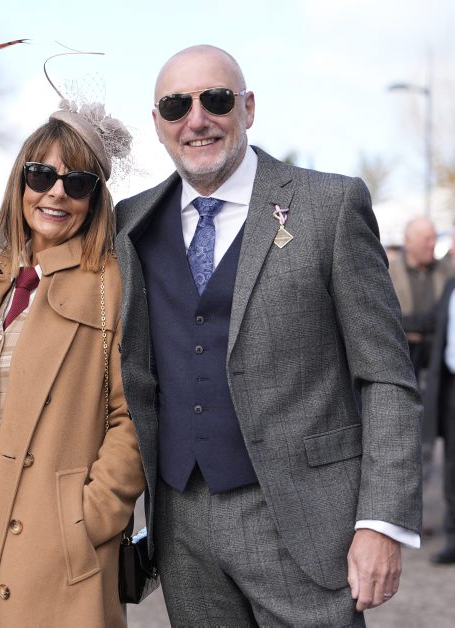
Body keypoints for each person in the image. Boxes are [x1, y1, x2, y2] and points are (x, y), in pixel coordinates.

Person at [114, 45, 422, 625]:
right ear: (157, 123)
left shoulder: (330, 206)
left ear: (248, 107)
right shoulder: (131, 223)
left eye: (216, 99)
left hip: (303, 520)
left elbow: (385, 375)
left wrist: (380, 522)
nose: (197, 119)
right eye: (177, 106)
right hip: (181, 527)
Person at [0, 99, 145, 627]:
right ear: (20, 181)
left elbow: (133, 415)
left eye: (78, 183)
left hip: (59, 548)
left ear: (95, 199)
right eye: (41, 175)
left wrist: (87, 518)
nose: (56, 193)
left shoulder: (112, 284)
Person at [389, 216, 453, 382]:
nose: (432, 244)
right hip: (402, 360)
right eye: (427, 239)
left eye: (434, 238)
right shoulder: (388, 273)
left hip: (437, 362)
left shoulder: (447, 272)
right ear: (408, 242)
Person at [424, 278, 455, 563]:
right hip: (451, 389)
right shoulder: (450, 286)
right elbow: (433, 320)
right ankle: (453, 538)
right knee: (452, 467)